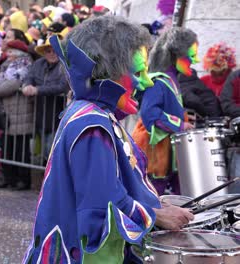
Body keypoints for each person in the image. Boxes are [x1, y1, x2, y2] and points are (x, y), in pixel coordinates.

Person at [23, 16, 193, 264]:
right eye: (138, 72)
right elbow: (103, 202)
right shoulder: (92, 124)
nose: (146, 82)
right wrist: (155, 216)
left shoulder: (92, 112)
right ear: (107, 73)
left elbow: (109, 183)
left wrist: (154, 203)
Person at [133, 27, 198, 195]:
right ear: (176, 55)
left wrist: (183, 116)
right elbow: (149, 115)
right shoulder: (160, 81)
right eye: (191, 56)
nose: (195, 60)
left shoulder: (170, 79)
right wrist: (180, 124)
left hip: (167, 153)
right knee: (157, 200)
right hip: (155, 154)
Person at [0, 39, 33, 190]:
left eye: (10, 52)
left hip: (20, 113)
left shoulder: (25, 64)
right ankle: (8, 177)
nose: (8, 54)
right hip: (7, 112)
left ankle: (22, 180)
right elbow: (2, 76)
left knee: (20, 148)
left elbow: (12, 84)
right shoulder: (11, 64)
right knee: (6, 146)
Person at [22, 37, 69, 162]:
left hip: (57, 114)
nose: (52, 54)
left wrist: (37, 90)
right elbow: (29, 77)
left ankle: (53, 178)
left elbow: (63, 86)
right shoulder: (38, 64)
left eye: (55, 51)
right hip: (40, 113)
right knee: (44, 150)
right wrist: (26, 85)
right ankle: (45, 176)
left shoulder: (64, 66)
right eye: (48, 51)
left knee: (52, 150)